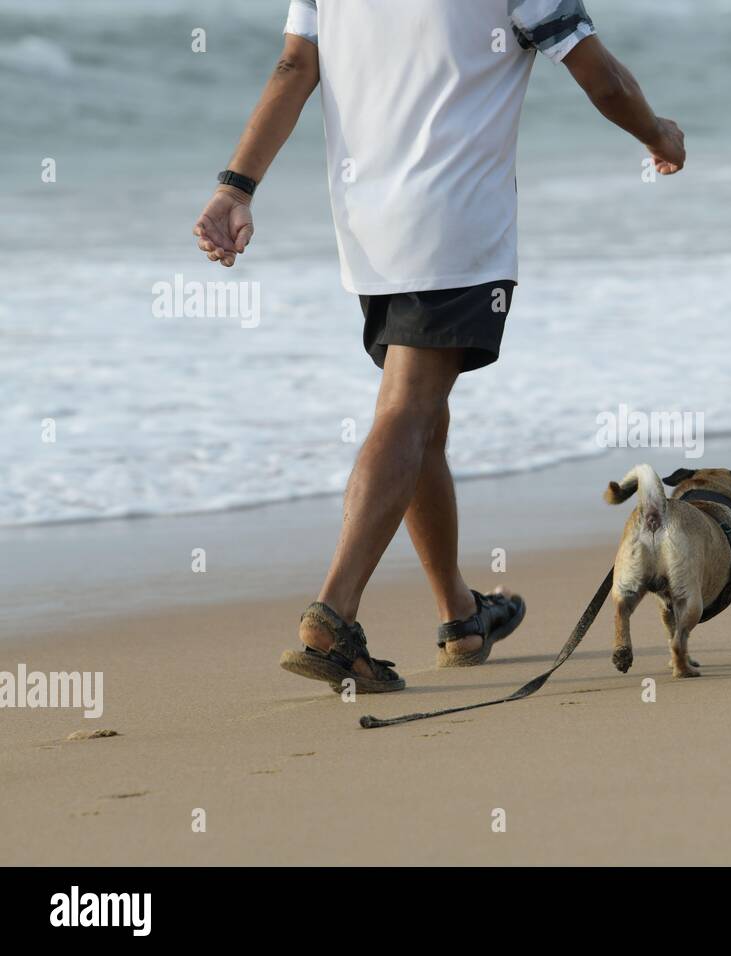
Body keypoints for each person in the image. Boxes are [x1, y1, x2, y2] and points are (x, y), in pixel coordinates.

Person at [193, 1, 685, 692]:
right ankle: (332, 615)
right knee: (409, 410)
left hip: (367, 227)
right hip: (454, 225)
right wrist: (658, 132)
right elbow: (598, 76)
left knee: (425, 412)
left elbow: (294, 66)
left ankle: (460, 613)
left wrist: (235, 186)